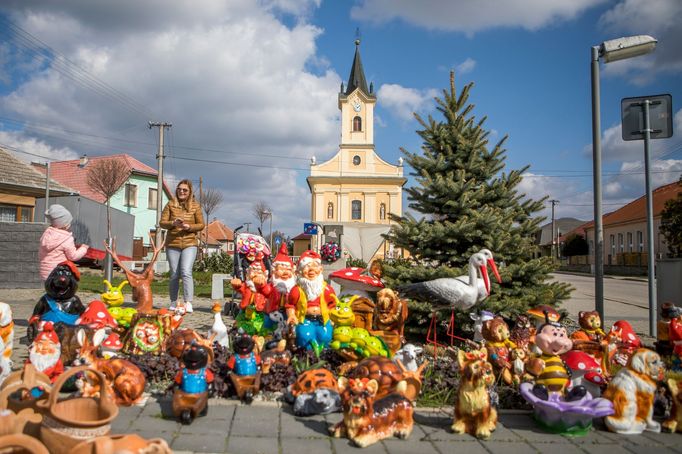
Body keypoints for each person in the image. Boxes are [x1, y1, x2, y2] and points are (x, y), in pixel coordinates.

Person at [160, 179, 204, 313]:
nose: (181, 191)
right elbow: (162, 223)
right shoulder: (170, 204)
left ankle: (188, 302)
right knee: (174, 273)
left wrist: (189, 226)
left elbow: (201, 225)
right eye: (179, 189)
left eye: (185, 190)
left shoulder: (195, 206)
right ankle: (173, 301)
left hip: (190, 242)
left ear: (189, 192)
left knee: (186, 271)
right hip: (173, 243)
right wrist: (173, 223)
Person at [286, 250, 339, 353]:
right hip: (305, 320)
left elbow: (333, 304)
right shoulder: (297, 290)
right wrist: (291, 315)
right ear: (300, 271)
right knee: (305, 336)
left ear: (320, 269)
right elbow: (290, 305)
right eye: (307, 266)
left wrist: (333, 317)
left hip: (322, 320)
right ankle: (307, 356)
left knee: (325, 335)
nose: (311, 270)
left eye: (315, 266)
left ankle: (324, 356)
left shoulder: (327, 289)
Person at [39, 204, 89, 281]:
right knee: (62, 291)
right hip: (59, 273)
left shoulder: (46, 234)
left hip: (45, 273)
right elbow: (73, 256)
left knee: (50, 290)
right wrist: (84, 248)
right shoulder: (66, 239)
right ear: (65, 225)